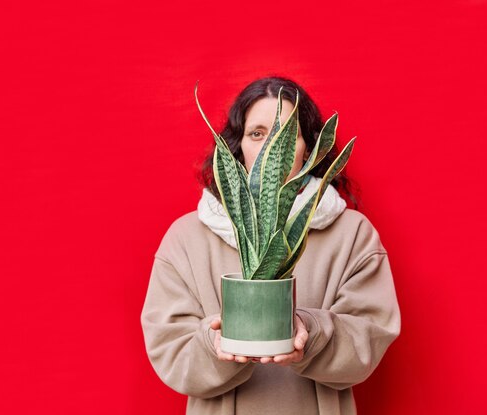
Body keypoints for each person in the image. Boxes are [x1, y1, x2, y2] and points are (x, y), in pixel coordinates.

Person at [140, 76, 401, 415]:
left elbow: (370, 340)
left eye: (286, 134)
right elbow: (170, 351)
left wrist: (312, 333)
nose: (269, 147)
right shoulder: (186, 238)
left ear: (308, 147)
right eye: (256, 133)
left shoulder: (352, 234)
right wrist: (214, 343)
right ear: (237, 146)